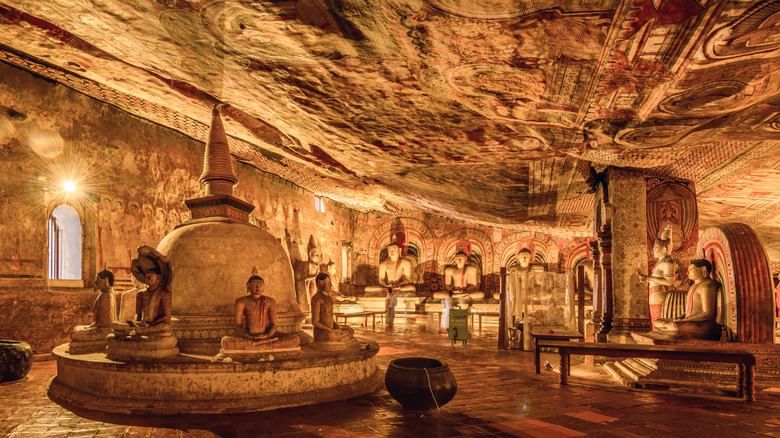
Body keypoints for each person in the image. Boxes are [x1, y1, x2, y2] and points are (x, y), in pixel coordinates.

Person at [220, 273, 300, 350]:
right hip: (249, 337)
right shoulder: (241, 301)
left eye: (260, 285)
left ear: (263, 286)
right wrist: (249, 336)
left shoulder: (270, 301)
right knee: (226, 342)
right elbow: (237, 325)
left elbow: (273, 324)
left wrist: (267, 335)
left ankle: (258, 345)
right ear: (248, 285)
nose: (257, 287)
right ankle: (266, 345)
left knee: (295, 339)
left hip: (268, 336)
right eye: (254, 284)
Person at [653, 259, 721, 339]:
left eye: (691, 270)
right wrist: (680, 317)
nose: (687, 273)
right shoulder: (693, 286)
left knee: (676, 326)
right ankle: (668, 326)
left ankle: (669, 328)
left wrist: (685, 320)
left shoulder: (707, 285)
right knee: (657, 321)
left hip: (703, 323)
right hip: (690, 321)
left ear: (703, 269)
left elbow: (707, 313)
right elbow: (690, 311)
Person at [638, 226, 677, 326]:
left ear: (664, 249)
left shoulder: (668, 261)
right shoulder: (661, 262)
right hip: (655, 294)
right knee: (655, 322)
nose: (653, 251)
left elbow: (669, 281)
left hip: (659, 294)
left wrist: (649, 278)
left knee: (658, 322)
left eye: (655, 248)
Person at [433, 252, 484, 329]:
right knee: (435, 295)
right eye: (457, 257)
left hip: (466, 292)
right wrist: (453, 291)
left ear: (466, 259)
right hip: (454, 293)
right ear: (455, 259)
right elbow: (447, 285)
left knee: (481, 294)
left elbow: (474, 285)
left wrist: (465, 291)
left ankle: (459, 297)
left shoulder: (471, 269)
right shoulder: (449, 270)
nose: (459, 259)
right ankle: (449, 323)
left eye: (462, 257)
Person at [70, 269, 117, 343]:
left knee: (75, 334)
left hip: (105, 331)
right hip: (101, 328)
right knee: (76, 329)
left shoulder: (107, 296)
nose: (95, 282)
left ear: (106, 281)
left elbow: (106, 323)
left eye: (97, 280)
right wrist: (91, 326)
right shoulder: (105, 294)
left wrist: (91, 327)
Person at [311, 273, 354, 342]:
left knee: (349, 329)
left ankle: (340, 338)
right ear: (319, 284)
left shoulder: (329, 298)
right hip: (323, 332)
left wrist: (336, 327)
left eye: (330, 282)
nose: (330, 285)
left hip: (331, 329)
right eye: (327, 282)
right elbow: (315, 322)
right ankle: (340, 339)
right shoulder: (317, 298)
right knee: (334, 335)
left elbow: (329, 317)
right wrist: (330, 330)